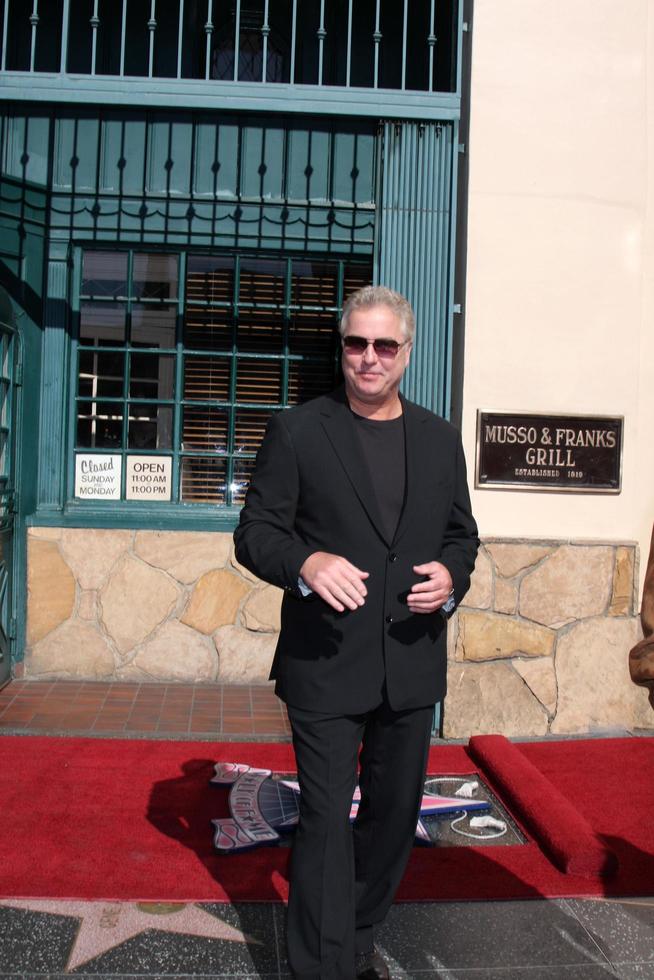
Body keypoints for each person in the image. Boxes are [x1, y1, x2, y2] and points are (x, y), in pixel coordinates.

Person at [234, 285, 479, 980]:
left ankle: (358, 933)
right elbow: (254, 534)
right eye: (354, 343)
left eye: (384, 345)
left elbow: (462, 535)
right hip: (325, 662)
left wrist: (452, 579)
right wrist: (306, 562)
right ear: (341, 347)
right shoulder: (299, 430)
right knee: (322, 819)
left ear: (407, 352)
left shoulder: (438, 438)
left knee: (394, 817)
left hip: (410, 658)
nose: (368, 359)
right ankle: (322, 965)